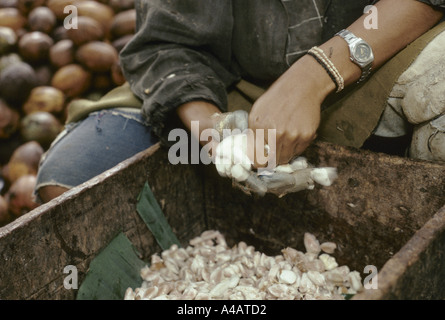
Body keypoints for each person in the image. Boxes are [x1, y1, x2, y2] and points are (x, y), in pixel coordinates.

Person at [35, 0, 445, 203]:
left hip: (384, 65)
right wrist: (217, 135)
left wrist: (314, 75)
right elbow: (167, 45)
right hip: (234, 84)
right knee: (71, 181)